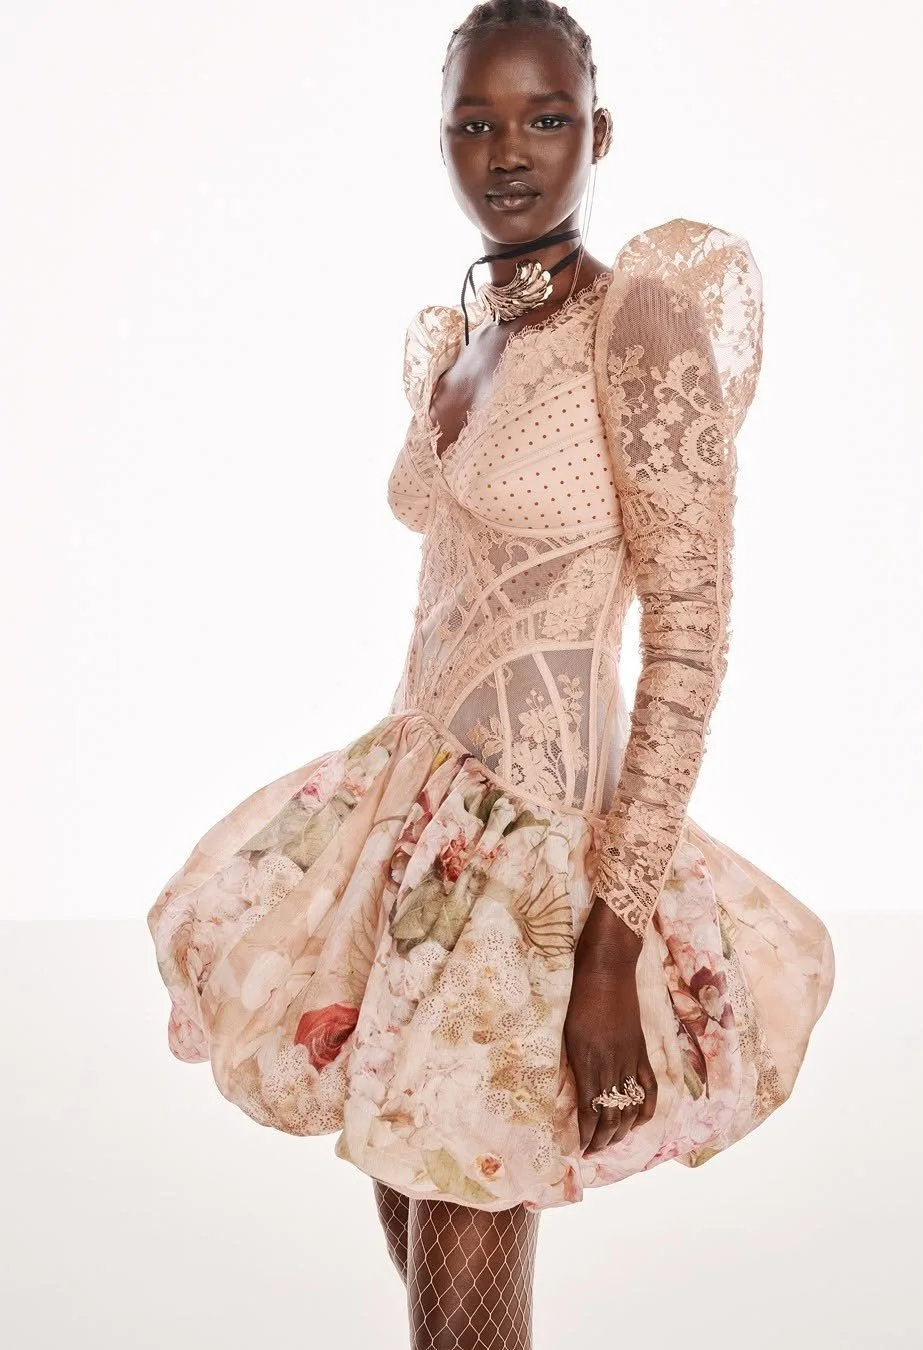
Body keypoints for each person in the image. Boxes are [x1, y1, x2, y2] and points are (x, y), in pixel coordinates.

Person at [146, 2, 836, 1346]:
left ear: (600, 130)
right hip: (421, 835)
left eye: (542, 118)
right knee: (416, 1217)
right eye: (474, 122)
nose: (507, 153)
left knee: (457, 1280)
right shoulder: (469, 335)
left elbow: (689, 638)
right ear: (442, 139)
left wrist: (608, 937)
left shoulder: (640, 329)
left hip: (546, 867)